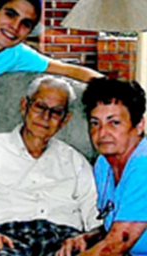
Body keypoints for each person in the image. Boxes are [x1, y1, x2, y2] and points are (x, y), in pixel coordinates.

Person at [0, 75, 101, 255]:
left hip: (64, 240)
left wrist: (85, 238)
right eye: (40, 107)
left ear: (65, 120)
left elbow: (95, 216)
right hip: (6, 238)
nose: (45, 117)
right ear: (24, 106)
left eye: (56, 112)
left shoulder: (75, 160)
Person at [56, 78, 147, 256]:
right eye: (95, 123)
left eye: (114, 122)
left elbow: (119, 242)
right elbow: (116, 227)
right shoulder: (104, 164)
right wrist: (86, 238)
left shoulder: (144, 164)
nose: (102, 133)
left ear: (138, 125)